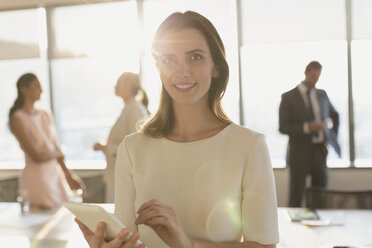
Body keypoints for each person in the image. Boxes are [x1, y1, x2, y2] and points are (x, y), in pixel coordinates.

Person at [76, 11, 279, 248]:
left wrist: (188, 244)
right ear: (159, 68)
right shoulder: (132, 149)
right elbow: (128, 242)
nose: (182, 71)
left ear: (216, 66)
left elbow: (264, 246)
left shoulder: (249, 146)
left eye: (195, 57)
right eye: (170, 59)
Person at [8, 73, 86, 209]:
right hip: (37, 179)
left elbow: (55, 147)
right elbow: (36, 155)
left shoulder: (45, 114)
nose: (41, 90)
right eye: (36, 86)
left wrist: (70, 176)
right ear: (23, 89)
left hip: (55, 177)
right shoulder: (17, 118)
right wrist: (56, 153)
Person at [279, 61, 341, 207]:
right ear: (306, 73)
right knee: (296, 196)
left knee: (320, 196)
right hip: (299, 154)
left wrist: (330, 138)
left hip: (320, 151)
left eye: (318, 77)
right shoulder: (288, 97)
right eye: (313, 76)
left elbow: (336, 116)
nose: (315, 80)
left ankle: (318, 227)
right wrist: (307, 127)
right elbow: (283, 127)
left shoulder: (322, 94)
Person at [93, 72, 149, 203]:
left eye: (118, 83)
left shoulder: (134, 110)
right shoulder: (129, 109)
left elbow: (138, 148)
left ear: (128, 84)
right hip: (118, 174)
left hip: (125, 177)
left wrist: (106, 148)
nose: (114, 86)